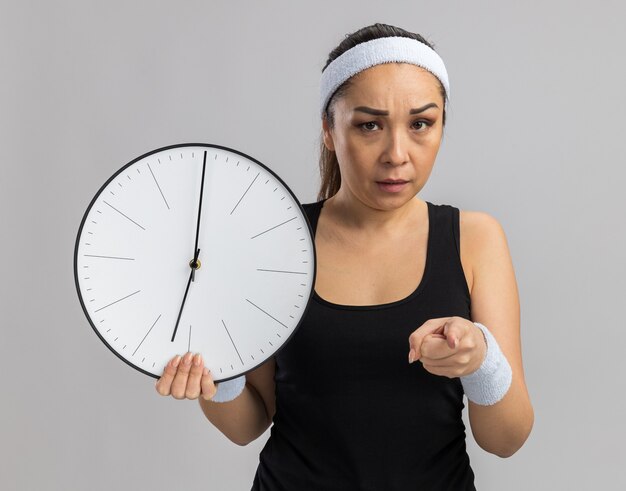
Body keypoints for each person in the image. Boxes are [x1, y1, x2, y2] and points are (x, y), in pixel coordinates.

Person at [155, 22, 534, 490]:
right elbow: (248, 423)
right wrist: (217, 378)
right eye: (369, 125)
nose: (397, 154)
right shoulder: (275, 239)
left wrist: (482, 359)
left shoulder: (474, 239)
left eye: (421, 123)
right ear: (329, 130)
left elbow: (506, 439)